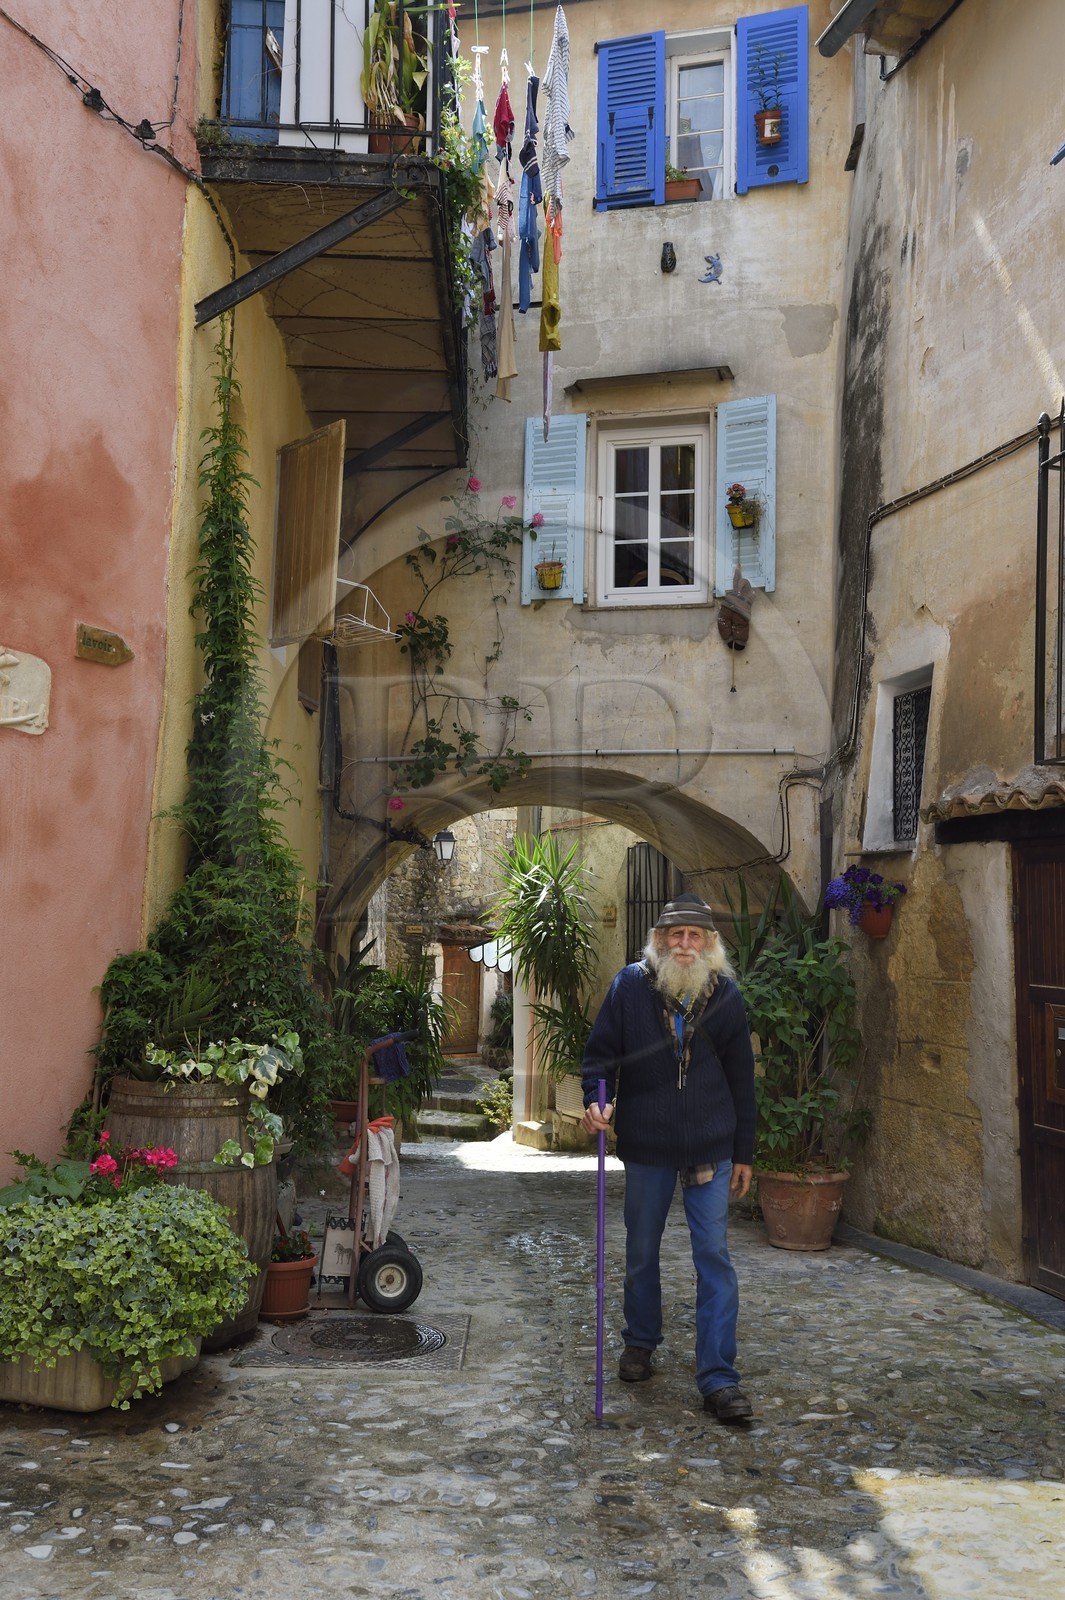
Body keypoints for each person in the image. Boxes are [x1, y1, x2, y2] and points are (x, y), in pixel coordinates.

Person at [581, 892, 756, 1422]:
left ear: (709, 943)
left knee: (714, 1256)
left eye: (694, 935)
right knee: (641, 1250)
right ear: (659, 940)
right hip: (649, 1142)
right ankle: (640, 1341)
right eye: (675, 934)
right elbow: (600, 1058)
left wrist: (744, 1152)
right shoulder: (629, 987)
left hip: (710, 1144)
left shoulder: (725, 996)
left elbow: (742, 1078)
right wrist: (596, 1100)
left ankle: (719, 1378)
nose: (684, 944)